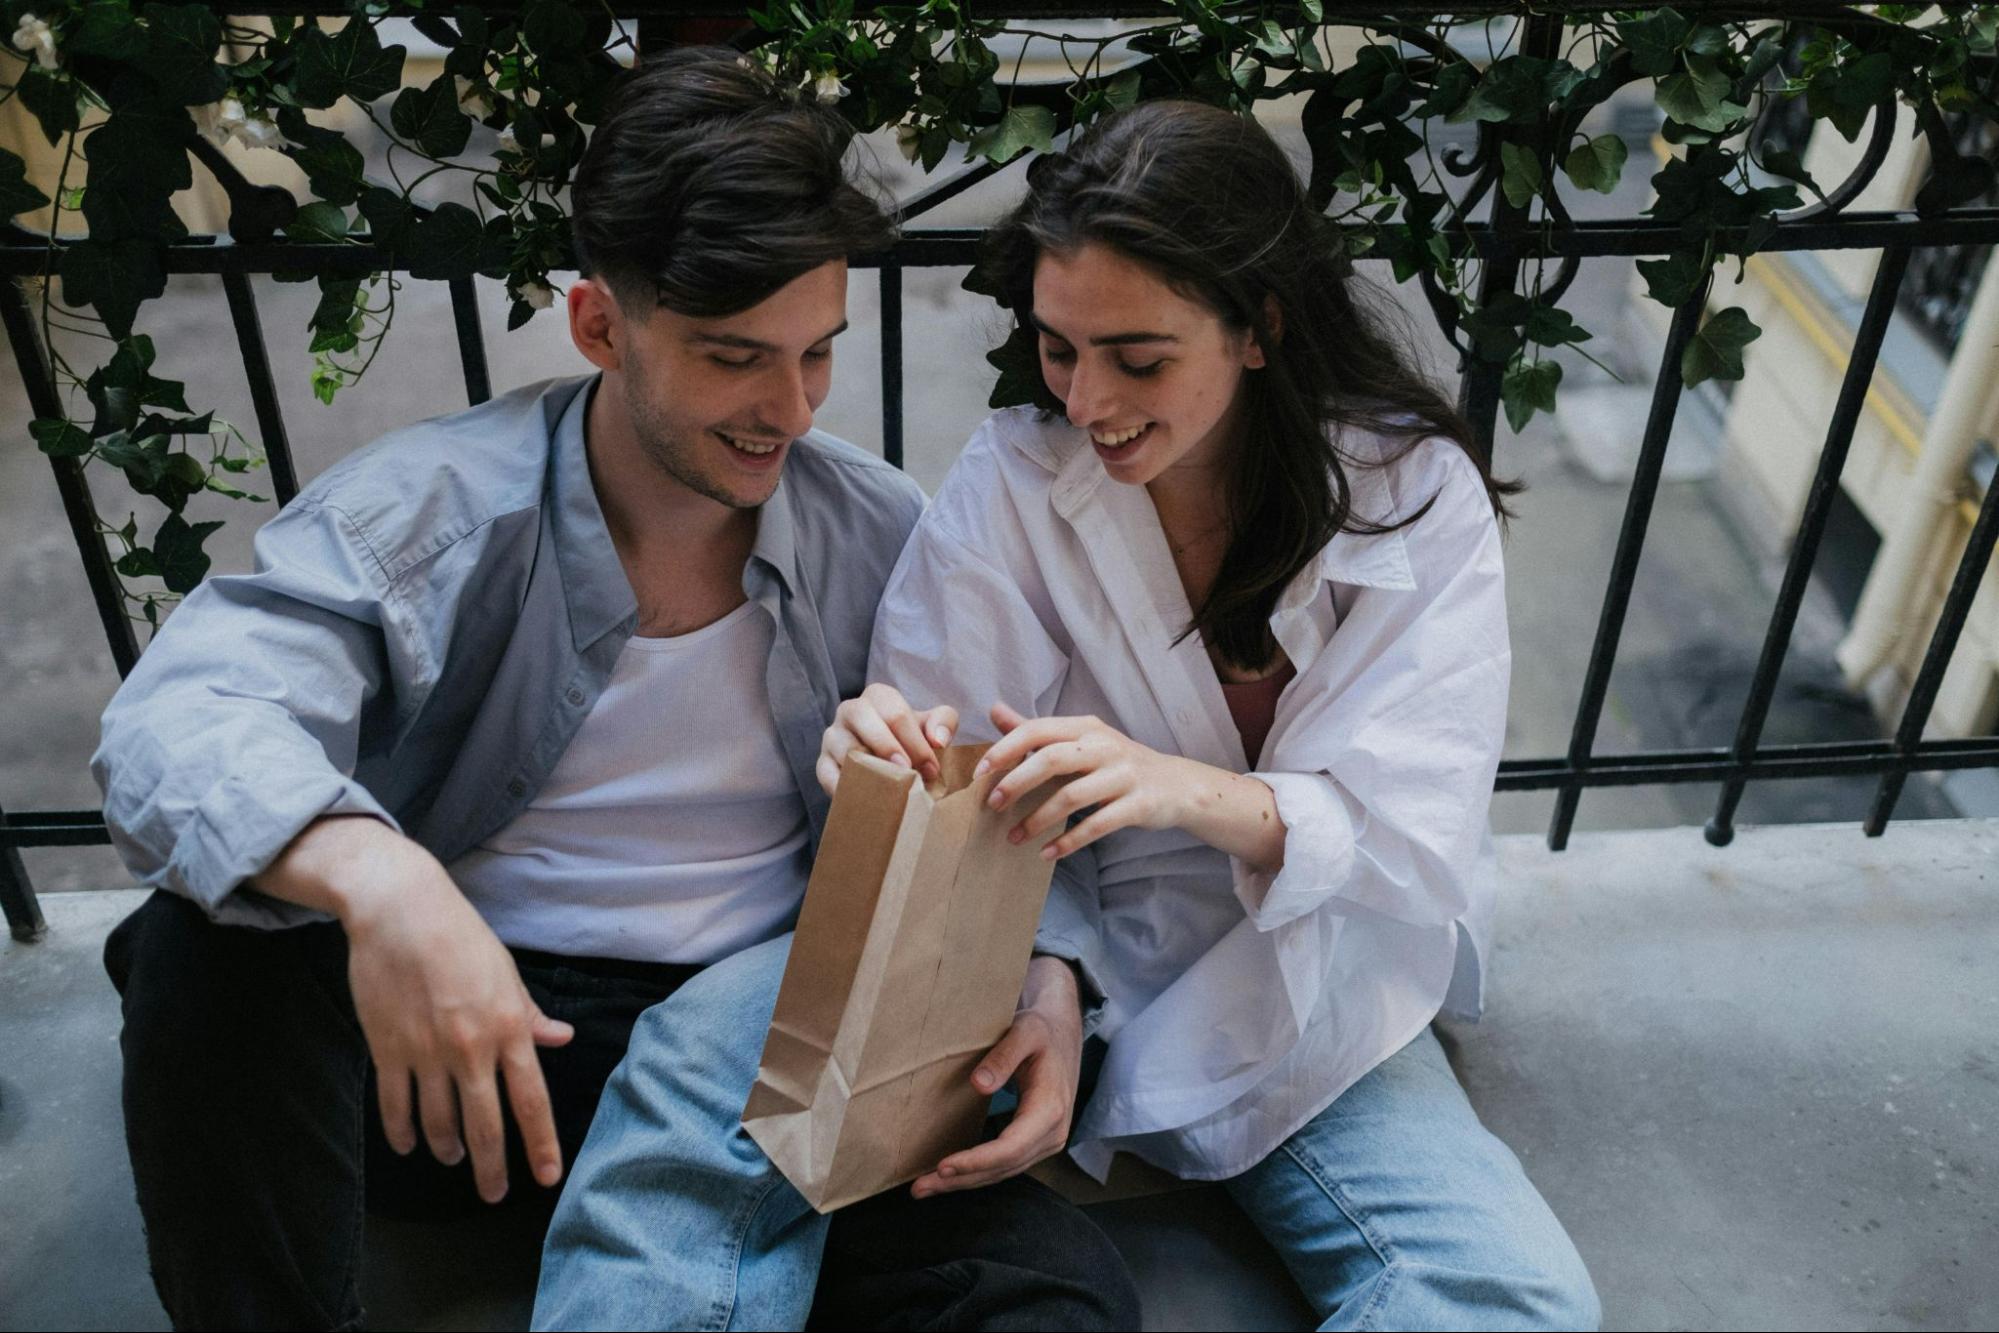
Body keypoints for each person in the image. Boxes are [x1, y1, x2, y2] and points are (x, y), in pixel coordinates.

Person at [95, 48, 1134, 1332]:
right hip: (465, 1042)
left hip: (758, 1057)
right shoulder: (434, 512)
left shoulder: (875, 528)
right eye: (733, 358)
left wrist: (1048, 974)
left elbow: (1003, 784)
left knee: (1054, 1295)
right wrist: (385, 881)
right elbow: (178, 721)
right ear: (600, 325)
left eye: (816, 354)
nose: (790, 410)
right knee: (207, 947)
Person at [823, 101, 1603, 1329]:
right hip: (1051, 973)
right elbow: (957, 791)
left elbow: (1410, 833)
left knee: (1507, 1298)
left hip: (1316, 984)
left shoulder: (1409, 493)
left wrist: (1179, 787)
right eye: (1059, 348)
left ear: (1259, 327)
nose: (1087, 401)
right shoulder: (1013, 485)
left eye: (1140, 358)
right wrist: (1043, 985)